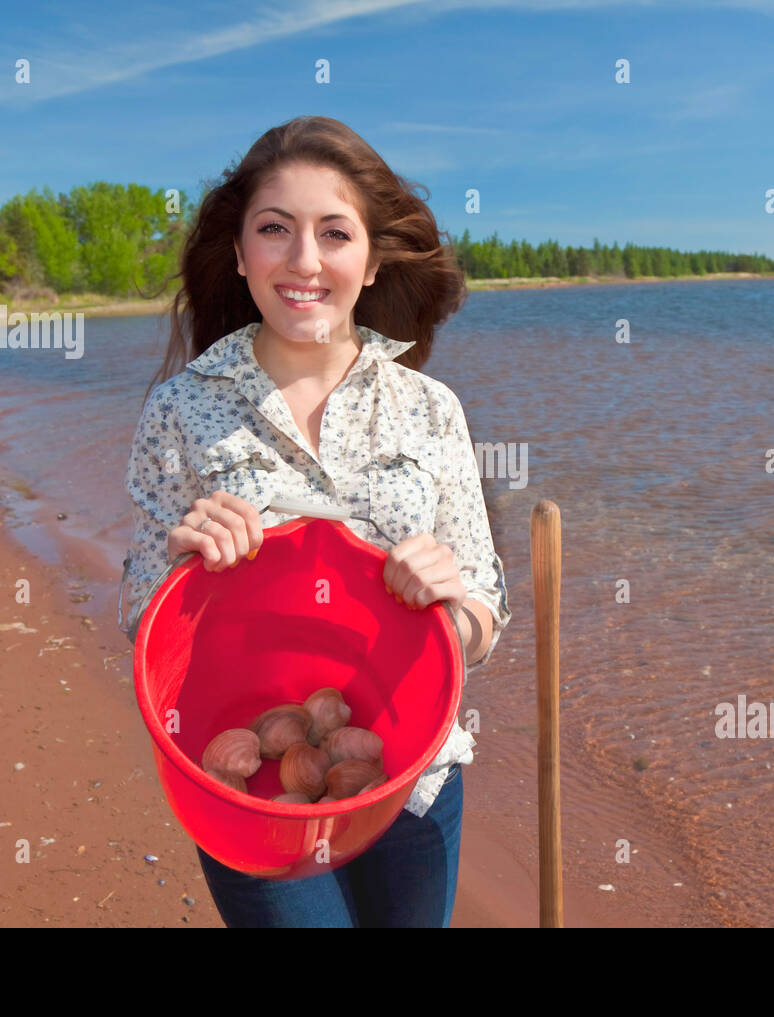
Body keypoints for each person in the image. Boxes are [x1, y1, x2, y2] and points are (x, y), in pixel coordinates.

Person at [117, 115, 512, 927]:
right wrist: (181, 564)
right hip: (253, 799)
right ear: (239, 253)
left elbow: (485, 608)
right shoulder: (183, 408)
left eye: (334, 234)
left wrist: (453, 608)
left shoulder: (431, 410)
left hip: (416, 776)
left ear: (369, 262)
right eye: (275, 230)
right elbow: (139, 614)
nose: (304, 261)